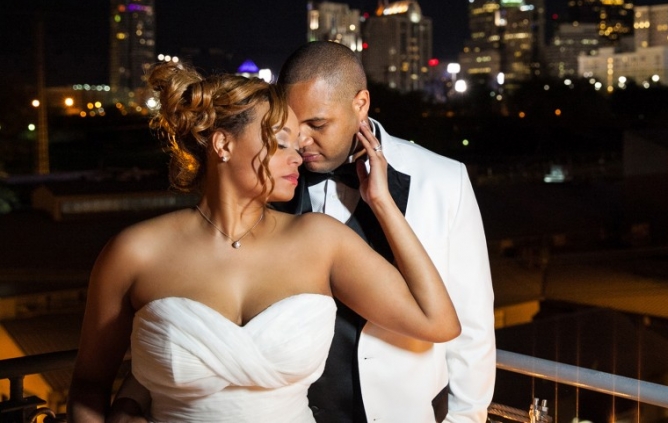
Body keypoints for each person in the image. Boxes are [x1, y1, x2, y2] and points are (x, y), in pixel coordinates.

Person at [67, 61, 460, 423]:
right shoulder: (134, 253)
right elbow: (88, 387)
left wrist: (382, 202)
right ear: (223, 145)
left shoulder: (320, 239)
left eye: (297, 146)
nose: (298, 157)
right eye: (281, 142)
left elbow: (437, 322)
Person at [276, 41, 496, 423]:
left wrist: (465, 418)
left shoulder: (445, 180)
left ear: (360, 104)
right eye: (292, 126)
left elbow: (473, 324)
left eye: (317, 124)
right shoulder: (270, 182)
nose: (301, 141)